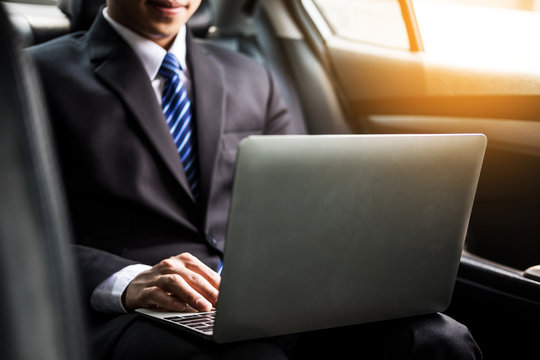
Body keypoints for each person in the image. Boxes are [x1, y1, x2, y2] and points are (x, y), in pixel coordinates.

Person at [29, 0, 482, 359]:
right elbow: (14, 235)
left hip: (266, 298)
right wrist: (125, 280)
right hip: (138, 311)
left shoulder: (251, 76)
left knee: (435, 339)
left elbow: (310, 203)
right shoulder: (32, 77)